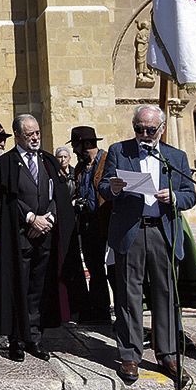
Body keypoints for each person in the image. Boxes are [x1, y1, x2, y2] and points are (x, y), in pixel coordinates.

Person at [98, 105, 196, 383]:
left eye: (149, 130)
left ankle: (167, 354)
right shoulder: (119, 150)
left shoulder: (175, 156)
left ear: (161, 129)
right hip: (131, 230)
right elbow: (104, 186)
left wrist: (175, 197)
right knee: (128, 295)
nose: (143, 134)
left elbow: (190, 195)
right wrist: (114, 188)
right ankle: (129, 355)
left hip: (163, 231)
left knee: (166, 295)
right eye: (138, 128)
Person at [0, 114, 64, 362]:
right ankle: (17, 339)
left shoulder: (48, 161)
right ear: (18, 136)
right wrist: (31, 218)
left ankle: (35, 337)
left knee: (38, 287)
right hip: (20, 235)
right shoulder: (7, 162)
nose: (35, 137)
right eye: (29, 134)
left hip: (45, 234)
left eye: (37, 133)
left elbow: (59, 196)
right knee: (18, 287)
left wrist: (49, 219)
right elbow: (7, 199)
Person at [69, 125, 111, 323]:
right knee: (95, 269)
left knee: (113, 270)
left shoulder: (107, 161)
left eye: (76, 146)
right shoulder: (80, 167)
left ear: (86, 144)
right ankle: (98, 310)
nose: (74, 151)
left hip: (106, 222)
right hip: (87, 224)